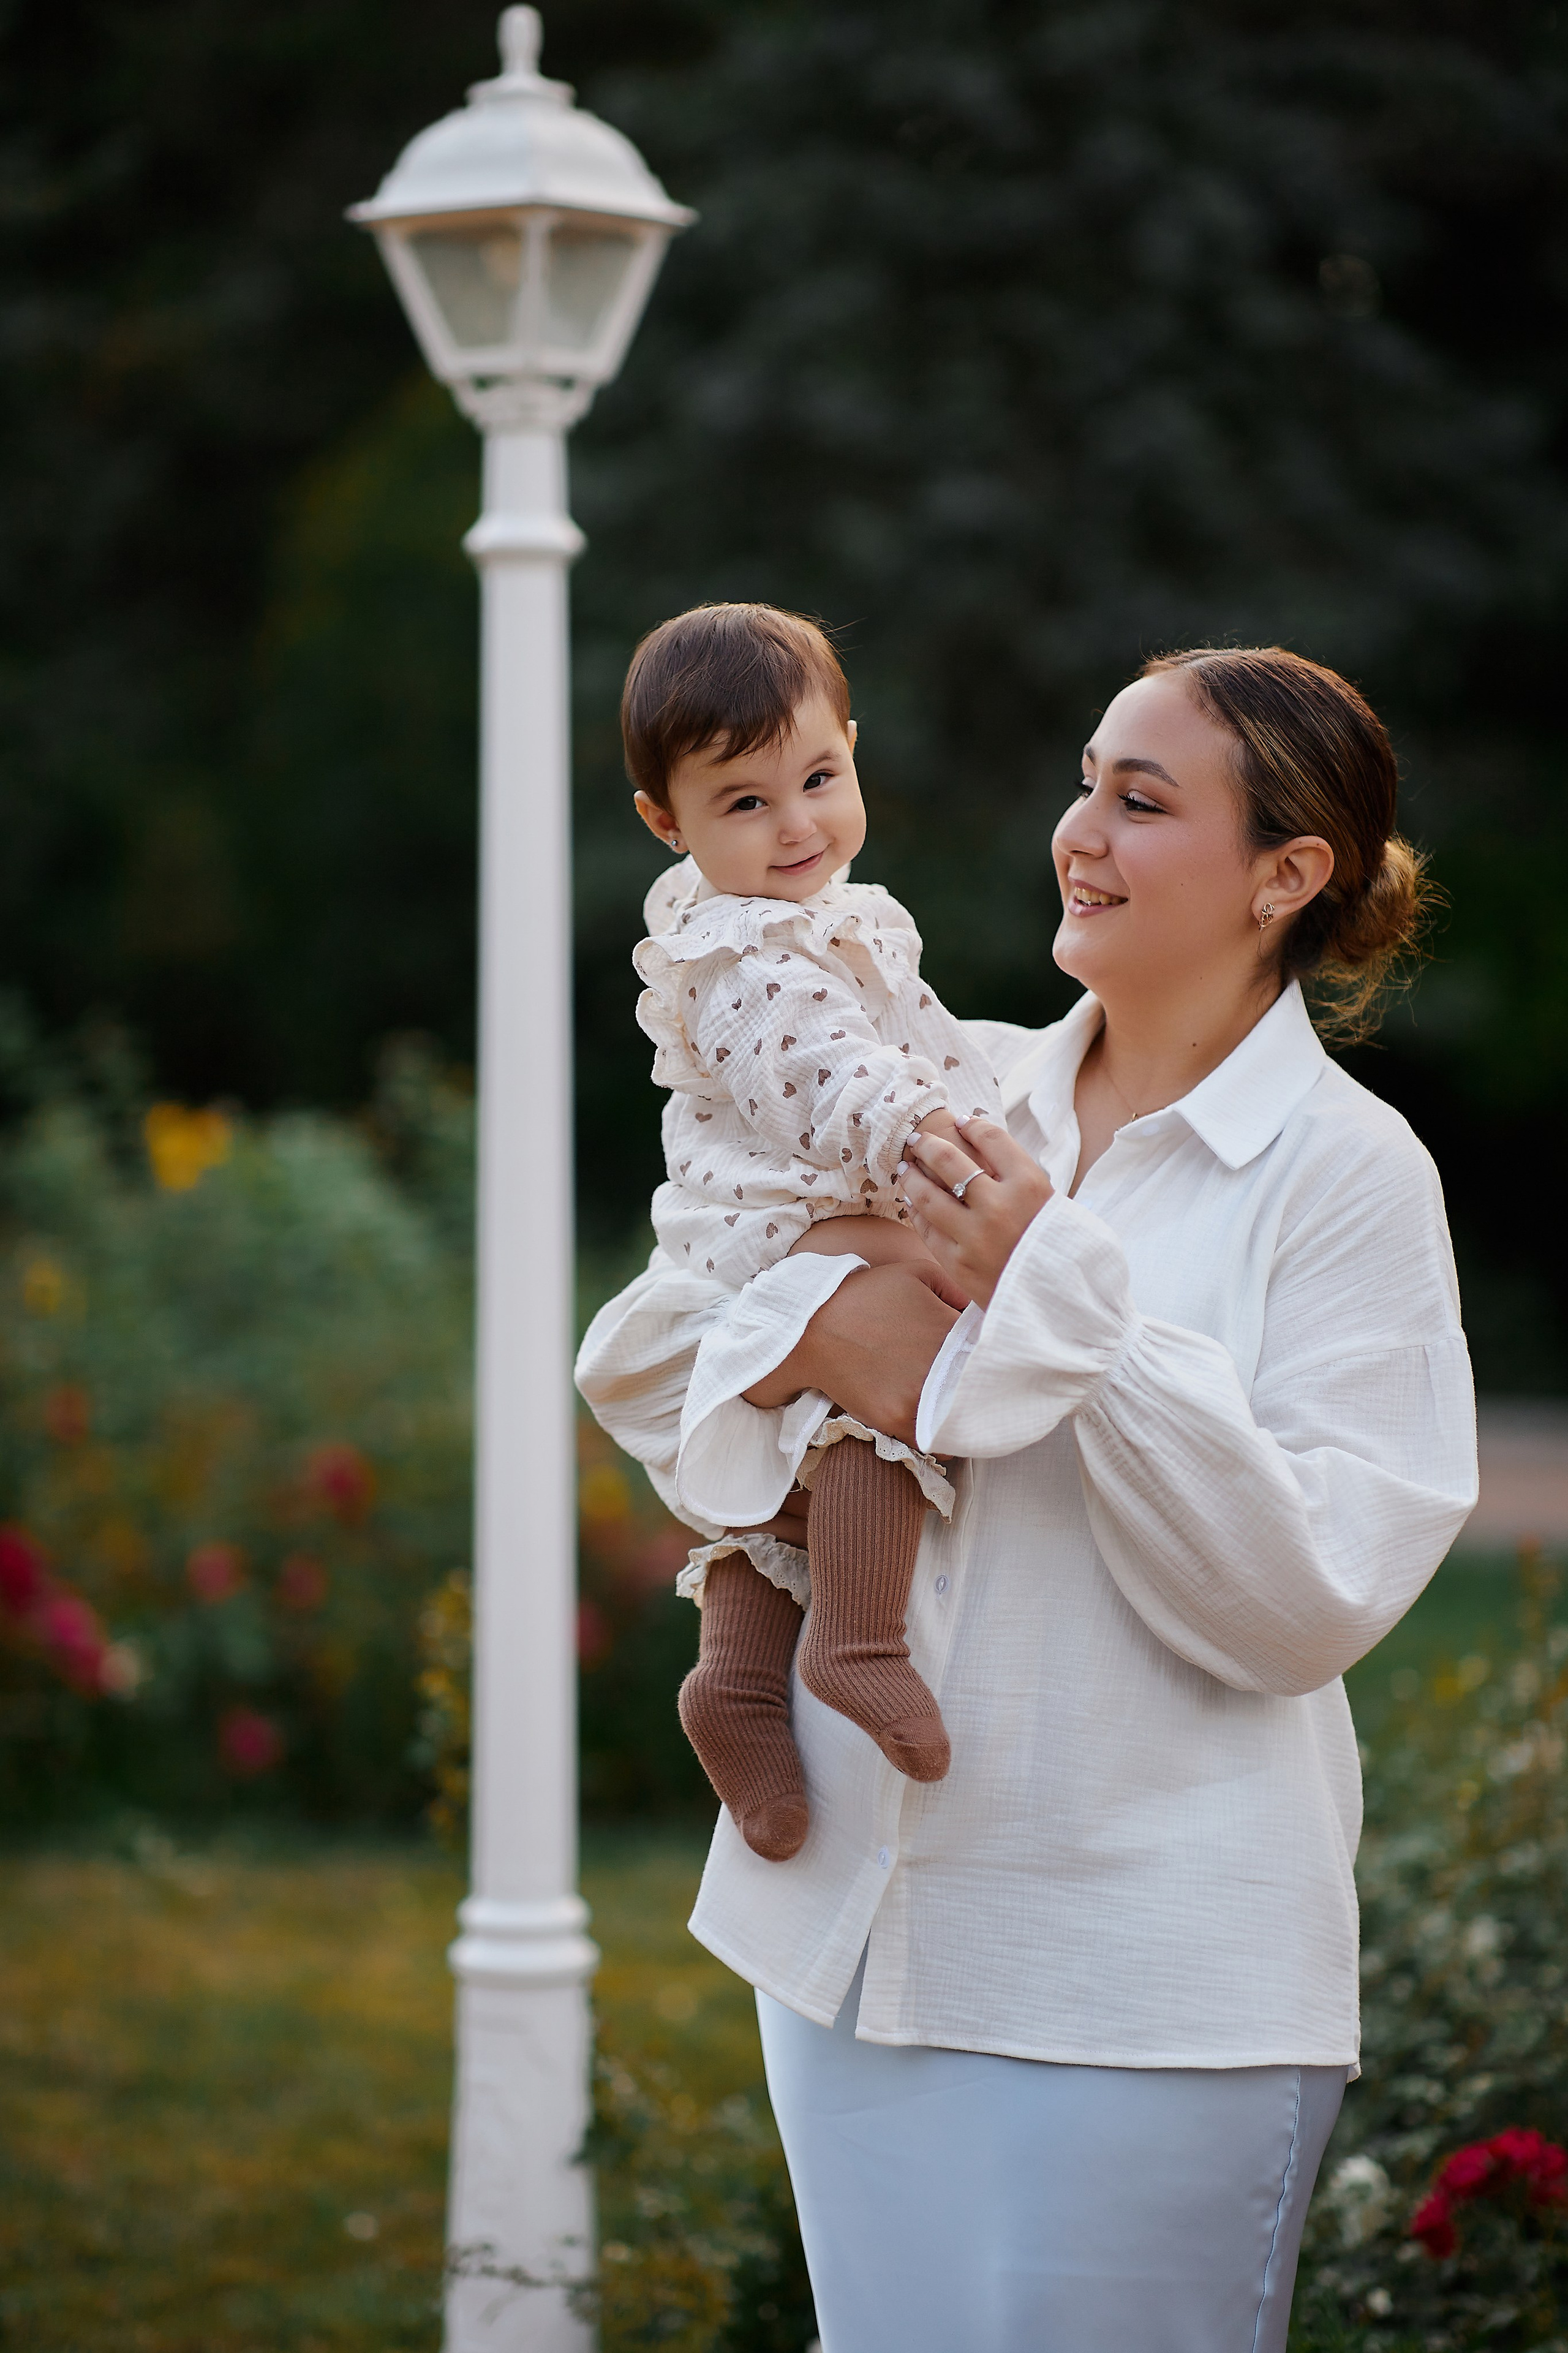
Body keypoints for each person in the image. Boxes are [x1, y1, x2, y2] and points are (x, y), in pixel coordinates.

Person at [576, 644, 1479, 2351]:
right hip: (850, 1942)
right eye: (1087, 783)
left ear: (1285, 877)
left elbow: (1303, 1601)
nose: (1080, 833)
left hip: (1149, 1989)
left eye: (1142, 803)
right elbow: (640, 1355)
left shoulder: (1355, 1177)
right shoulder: (933, 1088)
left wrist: (1056, 1297)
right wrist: (843, 1325)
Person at [620, 603, 1001, 1862]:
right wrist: (931, 1141)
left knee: (776, 1449)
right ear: (665, 823)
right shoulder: (740, 952)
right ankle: (855, 1638)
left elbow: (915, 1042)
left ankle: (732, 1680)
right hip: (785, 1229)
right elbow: (826, 1075)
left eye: (818, 779)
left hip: (803, 1219)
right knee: (897, 1365)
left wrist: (981, 1118)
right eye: (742, 803)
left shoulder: (835, 914)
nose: (795, 825)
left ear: (850, 749)